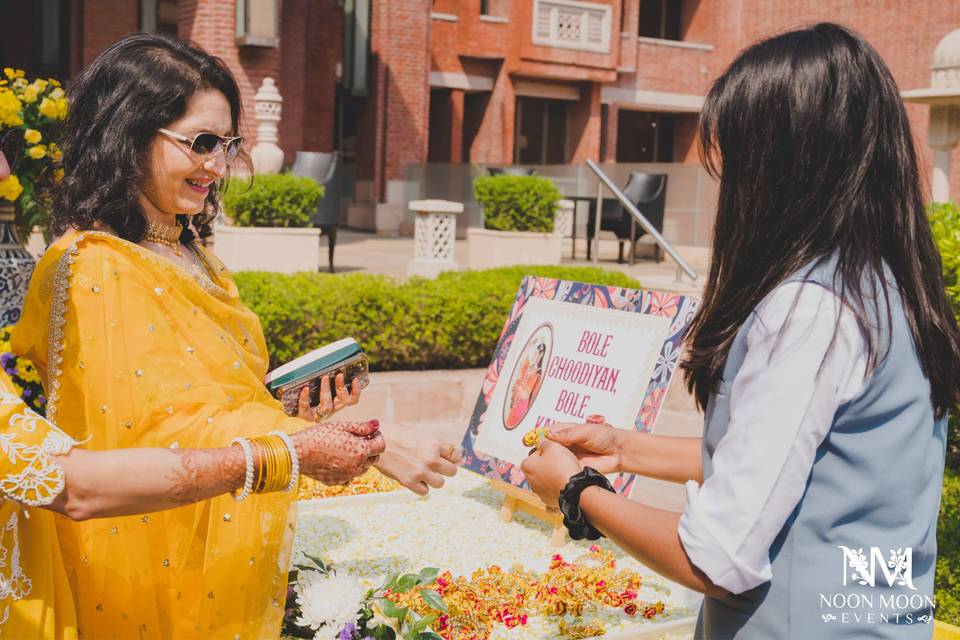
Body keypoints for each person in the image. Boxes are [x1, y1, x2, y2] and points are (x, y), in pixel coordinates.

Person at [522, 23, 960, 640]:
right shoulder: (885, 284)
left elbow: (717, 558)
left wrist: (577, 490)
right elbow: (802, 462)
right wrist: (628, 449)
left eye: (736, 167)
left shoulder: (810, 309)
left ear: (785, 168)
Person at [13, 33, 457, 638]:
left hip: (209, 528)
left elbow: (212, 402)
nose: (217, 166)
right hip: (139, 560)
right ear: (127, 134)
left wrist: (287, 407)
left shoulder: (188, 250)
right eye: (199, 143)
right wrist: (365, 444)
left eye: (227, 144)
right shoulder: (93, 265)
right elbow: (159, 432)